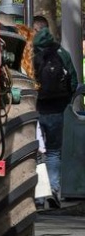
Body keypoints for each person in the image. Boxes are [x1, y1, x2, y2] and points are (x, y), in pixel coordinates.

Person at [31, 15, 77, 209]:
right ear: (47, 29)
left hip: (34, 108)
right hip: (57, 108)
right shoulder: (61, 52)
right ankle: (54, 189)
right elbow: (73, 80)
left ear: (34, 30)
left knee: (36, 151)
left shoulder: (29, 51)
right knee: (53, 152)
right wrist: (65, 101)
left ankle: (39, 197)